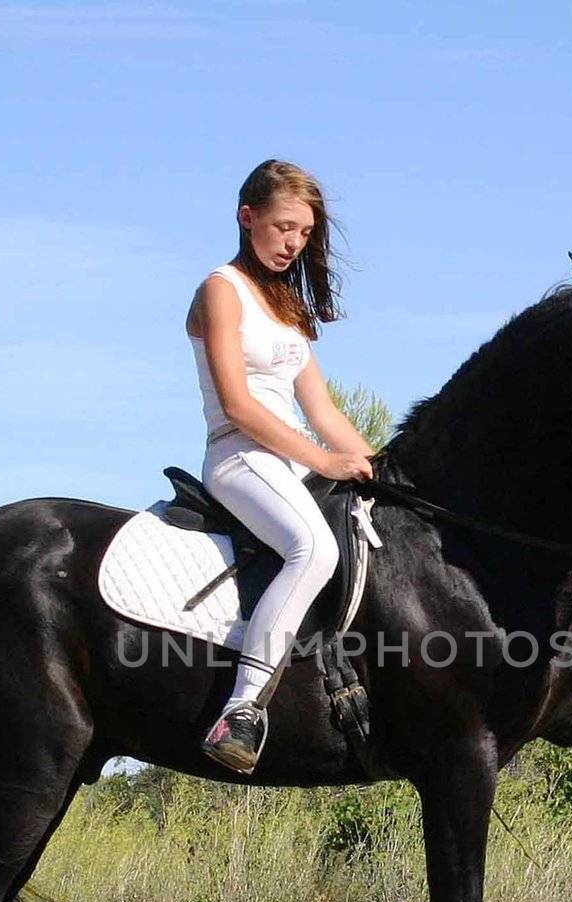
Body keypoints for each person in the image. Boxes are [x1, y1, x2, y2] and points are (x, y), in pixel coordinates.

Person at [187, 159, 376, 773]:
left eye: (304, 233)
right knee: (313, 550)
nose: (293, 243)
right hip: (239, 455)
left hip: (290, 460)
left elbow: (321, 409)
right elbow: (239, 404)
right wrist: (324, 460)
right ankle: (241, 710)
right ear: (248, 218)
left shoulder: (289, 305)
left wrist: (378, 465)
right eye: (284, 227)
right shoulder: (221, 288)